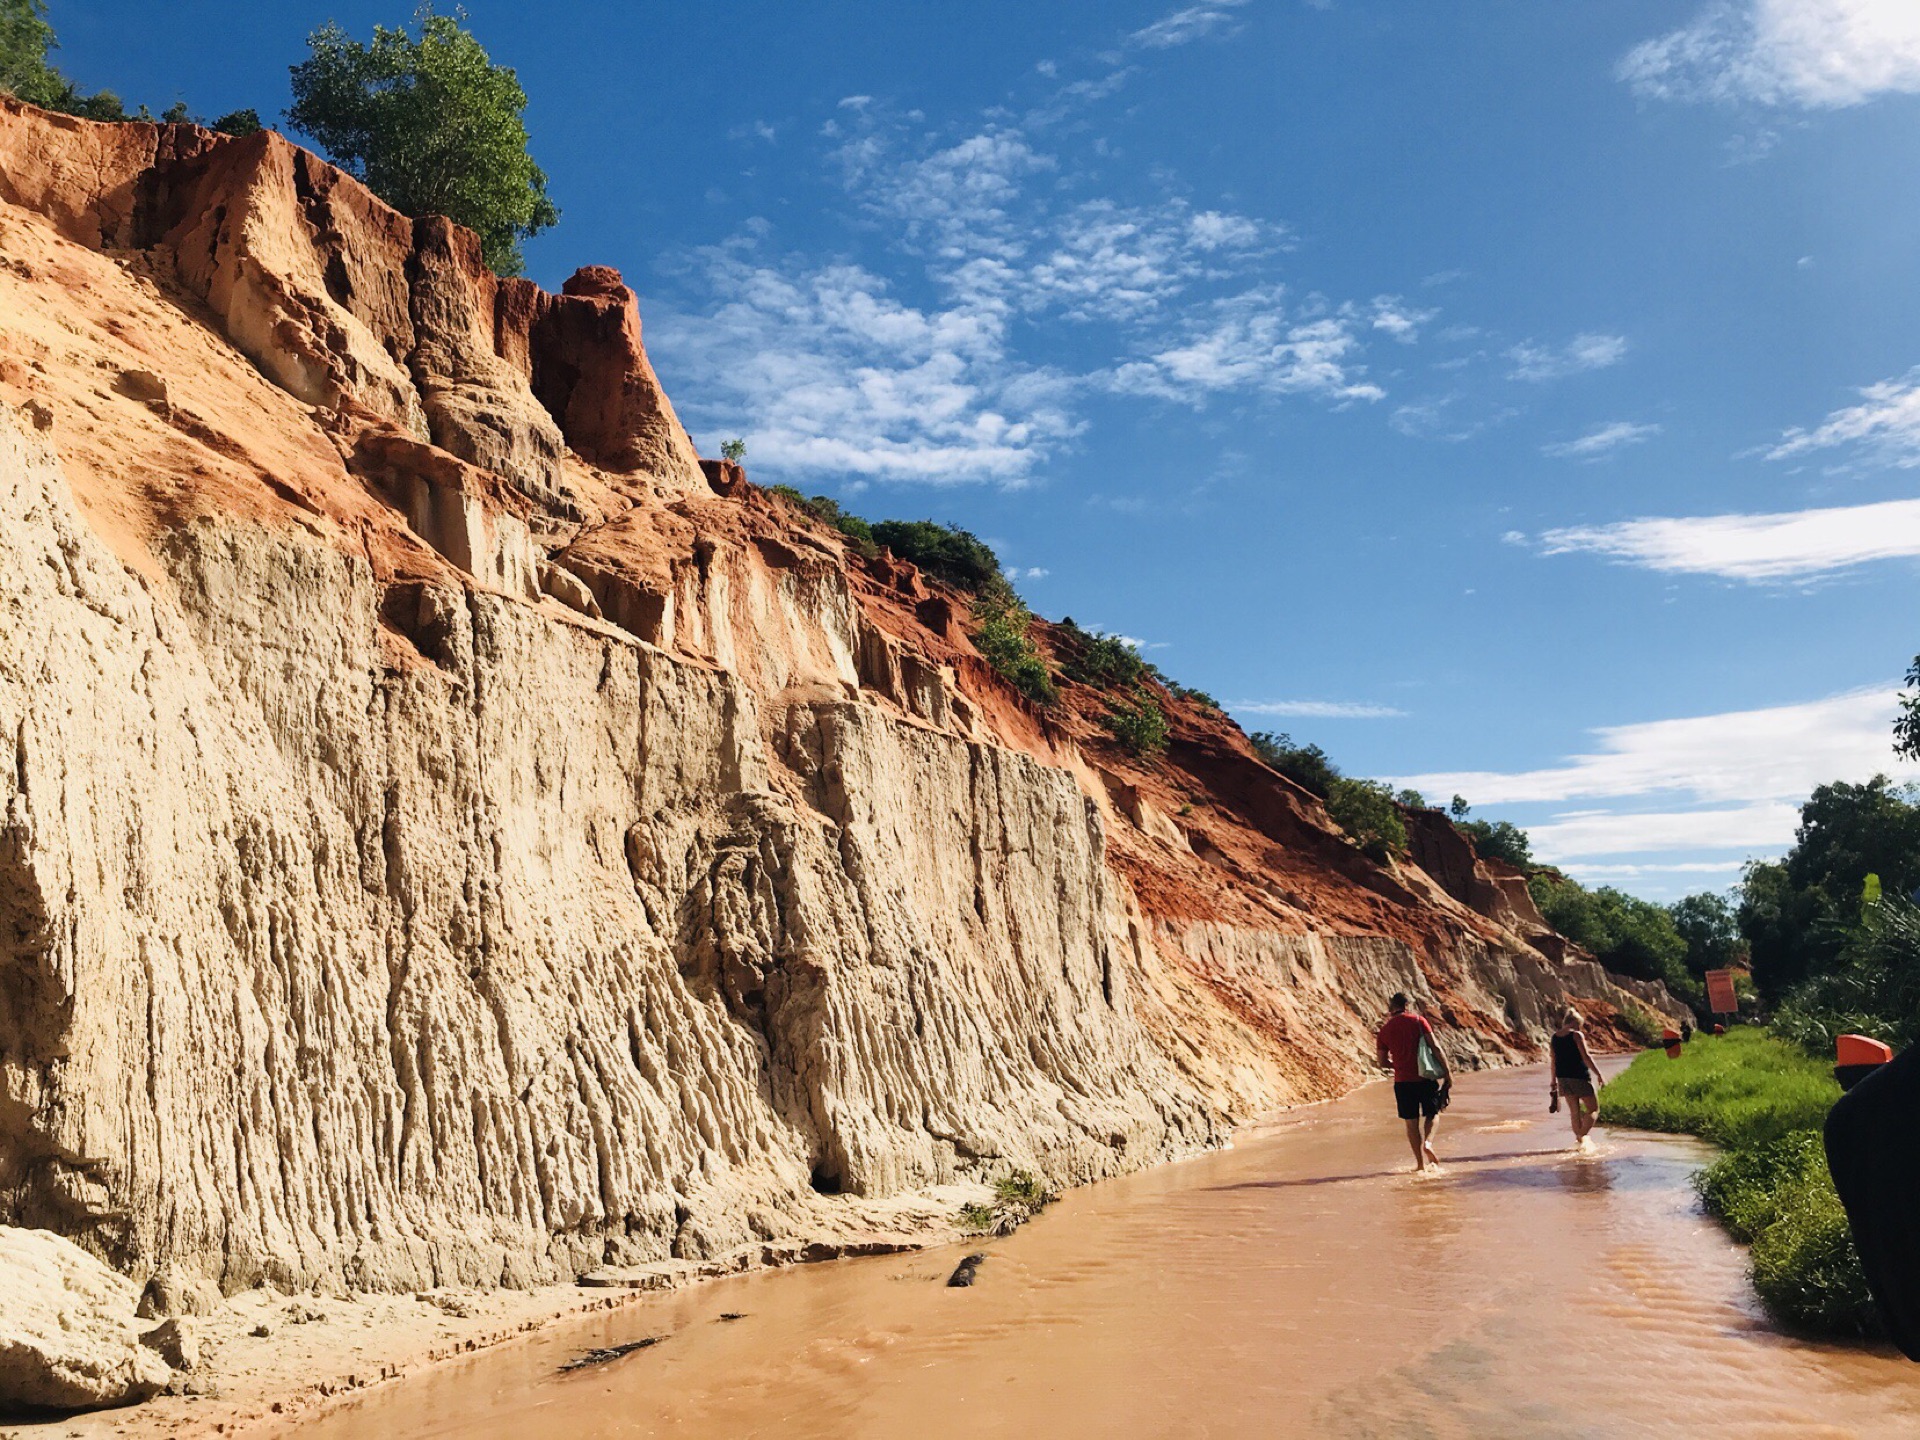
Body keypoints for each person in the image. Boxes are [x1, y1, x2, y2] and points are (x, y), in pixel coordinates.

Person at [1376, 992, 1452, 1171]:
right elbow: (1436, 1047)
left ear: (1391, 1007)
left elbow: (1381, 1062)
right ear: (1407, 1006)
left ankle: (1419, 1165)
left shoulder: (1384, 1030)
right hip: (1425, 1077)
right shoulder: (1419, 1022)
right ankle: (1428, 1143)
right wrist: (1448, 1073)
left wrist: (1398, 1066)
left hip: (1402, 1082)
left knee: (1411, 1122)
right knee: (1432, 1114)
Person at [1549, 1008, 1605, 1146]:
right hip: (1579, 1076)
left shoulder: (1554, 1037)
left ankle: (1579, 1143)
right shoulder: (1576, 1035)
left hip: (1563, 1079)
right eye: (1579, 1025)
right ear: (1574, 1022)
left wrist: (1553, 1081)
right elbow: (1586, 1057)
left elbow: (1553, 1061)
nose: (1579, 1028)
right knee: (1593, 1109)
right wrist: (1599, 1074)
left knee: (1575, 1112)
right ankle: (1582, 1135)